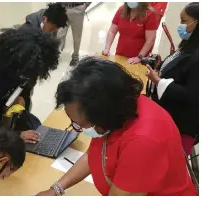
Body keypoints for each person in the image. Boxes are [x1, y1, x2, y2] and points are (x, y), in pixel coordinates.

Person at [37, 57, 197, 196]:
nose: (79, 128)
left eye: (81, 125)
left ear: (104, 114)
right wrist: (56, 189)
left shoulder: (144, 141)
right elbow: (95, 153)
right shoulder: (118, 109)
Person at [146, 2, 199, 156]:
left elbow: (193, 96)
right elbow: (180, 68)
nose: (180, 25)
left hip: (180, 125)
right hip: (165, 115)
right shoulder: (188, 45)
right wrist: (161, 65)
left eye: (184, 21)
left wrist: (158, 81)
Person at [57, 2, 91, 66]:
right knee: (60, 33)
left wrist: (86, 5)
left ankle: (75, 57)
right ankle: (56, 53)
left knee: (76, 35)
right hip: (64, 8)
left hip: (78, 8)